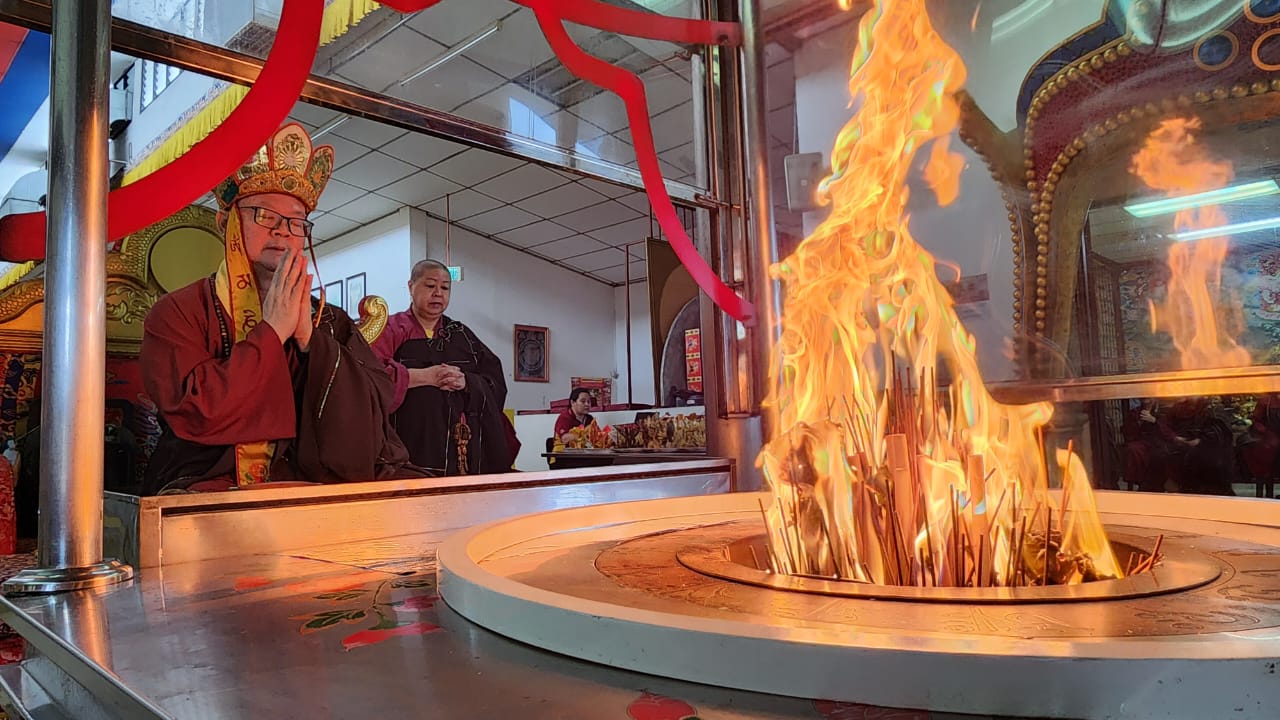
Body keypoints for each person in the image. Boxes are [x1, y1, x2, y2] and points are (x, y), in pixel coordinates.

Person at [139, 123, 416, 493]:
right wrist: (271, 333)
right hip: (211, 478)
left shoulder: (329, 319)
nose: (283, 230)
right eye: (265, 215)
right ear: (225, 223)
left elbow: (375, 410)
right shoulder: (179, 312)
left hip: (313, 478)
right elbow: (194, 413)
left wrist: (310, 341)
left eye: (296, 222)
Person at [370, 259, 515, 475]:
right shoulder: (390, 329)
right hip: (409, 446)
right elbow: (368, 379)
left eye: (445, 288)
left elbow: (494, 381)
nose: (438, 293)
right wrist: (422, 377)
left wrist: (467, 382)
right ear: (411, 286)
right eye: (430, 285)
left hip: (464, 447)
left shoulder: (461, 335)